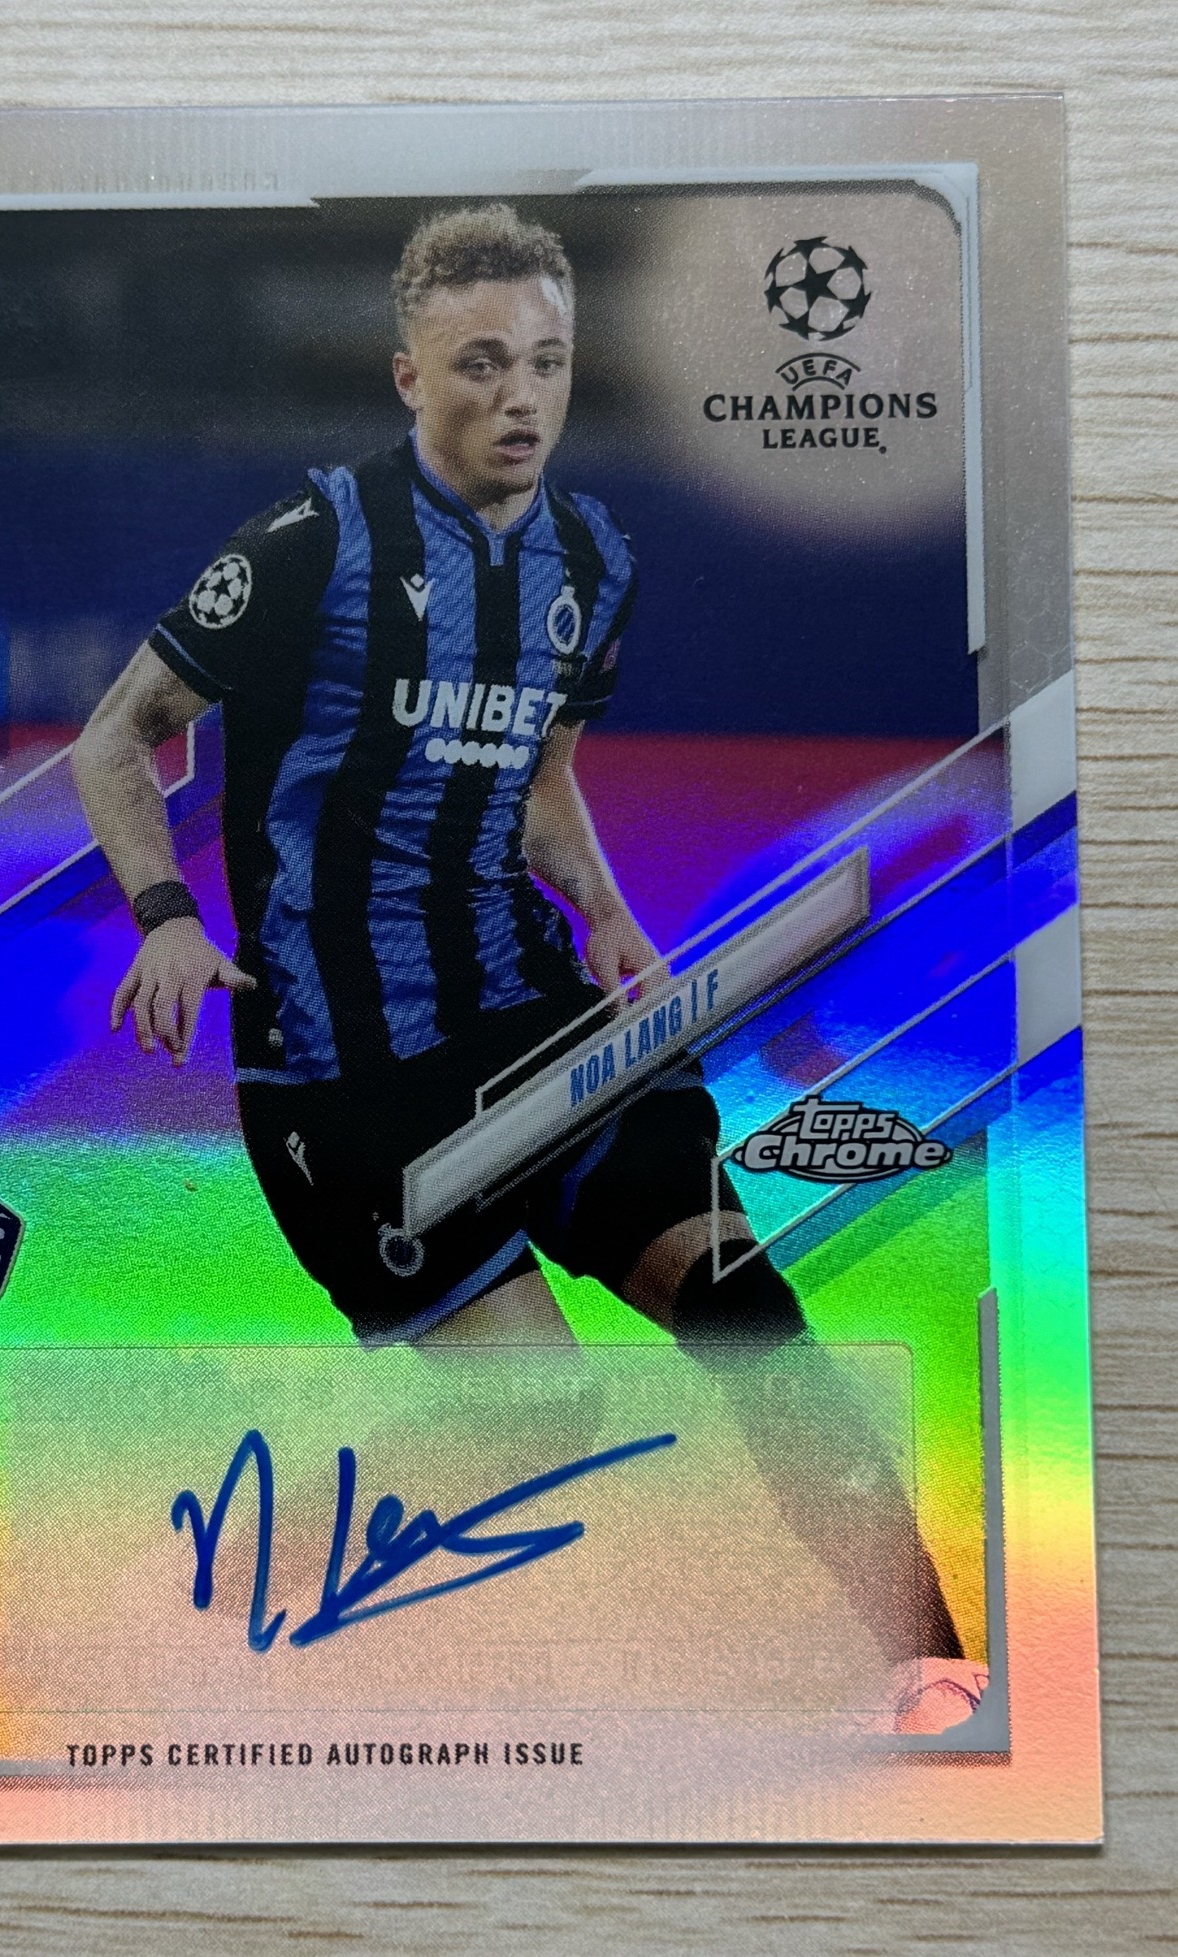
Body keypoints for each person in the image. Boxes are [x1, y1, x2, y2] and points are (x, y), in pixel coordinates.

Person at [72, 203, 985, 1731]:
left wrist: (607, 909)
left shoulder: (588, 561)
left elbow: (539, 778)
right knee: (546, 1420)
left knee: (743, 1306)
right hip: (346, 1083)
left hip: (541, 1024)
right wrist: (167, 911)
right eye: (480, 362)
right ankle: (243, 1552)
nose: (521, 396)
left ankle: (929, 1664)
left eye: (548, 362)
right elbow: (115, 738)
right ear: (408, 376)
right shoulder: (308, 547)